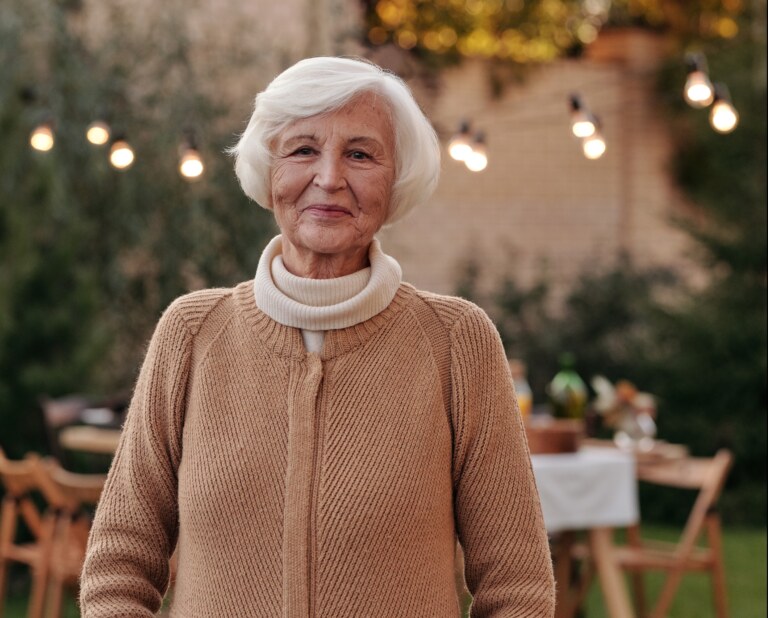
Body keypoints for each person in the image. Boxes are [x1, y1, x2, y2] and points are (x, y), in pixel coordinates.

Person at [80, 56, 555, 617]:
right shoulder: (192, 333)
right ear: (269, 170)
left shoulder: (456, 342)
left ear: (396, 179)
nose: (329, 178)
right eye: (303, 150)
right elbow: (119, 562)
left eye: (360, 154)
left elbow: (517, 585)